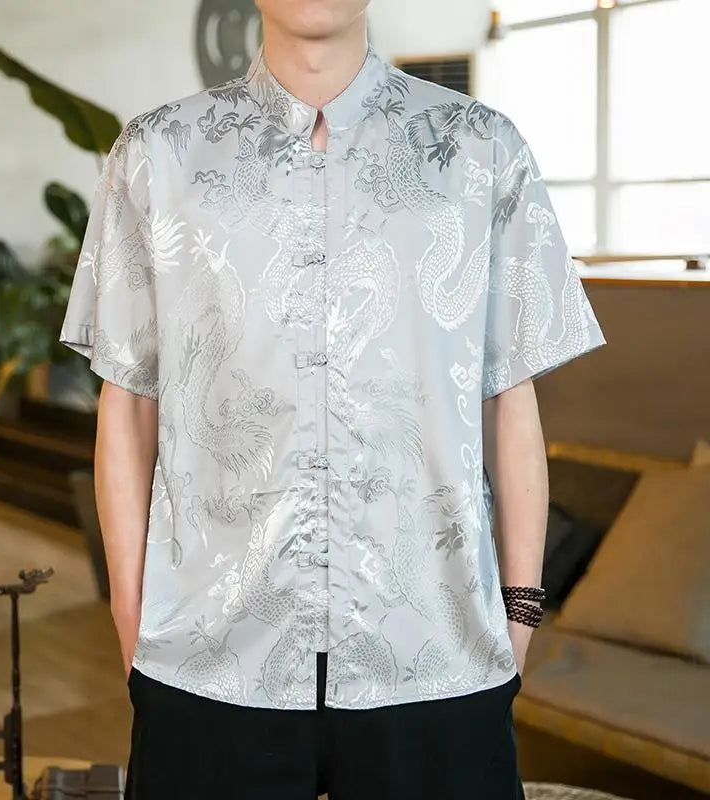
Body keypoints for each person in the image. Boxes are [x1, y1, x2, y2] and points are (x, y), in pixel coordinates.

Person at [59, 1, 607, 797]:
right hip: (210, 659)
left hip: (436, 657)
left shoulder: (481, 149)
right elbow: (129, 402)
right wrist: (132, 616)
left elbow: (508, 399)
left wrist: (518, 614)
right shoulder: (158, 154)